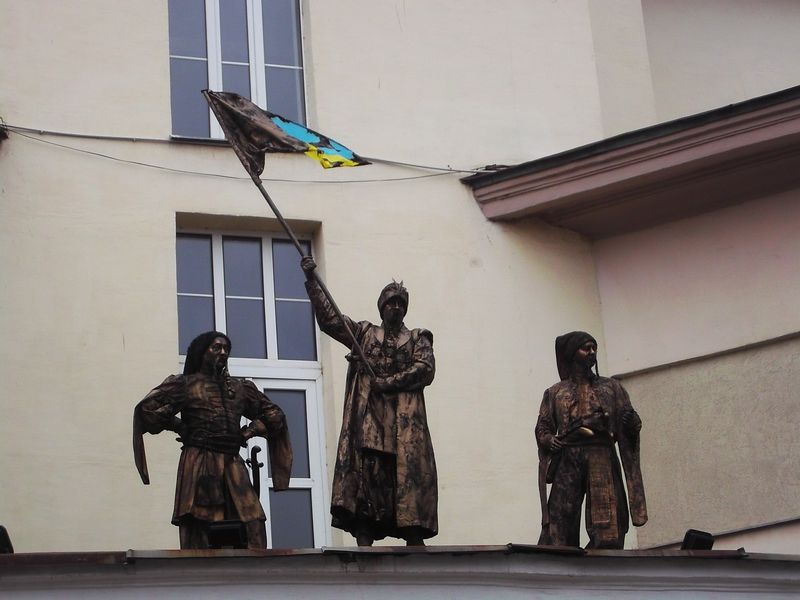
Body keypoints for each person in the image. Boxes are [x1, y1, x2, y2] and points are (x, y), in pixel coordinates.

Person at [301, 256, 438, 546]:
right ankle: (364, 529)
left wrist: (388, 382)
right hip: (369, 422)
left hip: (404, 425)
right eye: (391, 302)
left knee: (407, 476)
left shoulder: (417, 338)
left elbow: (425, 369)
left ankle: (412, 533)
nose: (396, 307)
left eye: (401, 303)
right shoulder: (364, 333)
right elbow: (330, 321)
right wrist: (312, 282)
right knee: (369, 473)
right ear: (382, 306)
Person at [133, 331, 292, 549]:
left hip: (233, 463)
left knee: (253, 522)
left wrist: (248, 432)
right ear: (202, 352)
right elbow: (147, 410)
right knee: (201, 524)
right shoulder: (185, 385)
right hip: (200, 462)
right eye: (216, 348)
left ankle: (255, 575)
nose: (223, 353)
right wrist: (179, 426)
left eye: (226, 349)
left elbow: (275, 414)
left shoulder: (240, 388)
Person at [535, 331, 647, 549]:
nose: (592, 352)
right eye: (586, 348)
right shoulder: (555, 392)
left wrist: (631, 422)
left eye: (594, 348)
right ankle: (560, 556)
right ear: (571, 353)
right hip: (568, 455)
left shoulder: (612, 387)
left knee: (608, 522)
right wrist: (548, 439)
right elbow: (543, 425)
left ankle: (604, 558)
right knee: (560, 517)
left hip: (601, 454)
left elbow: (632, 424)